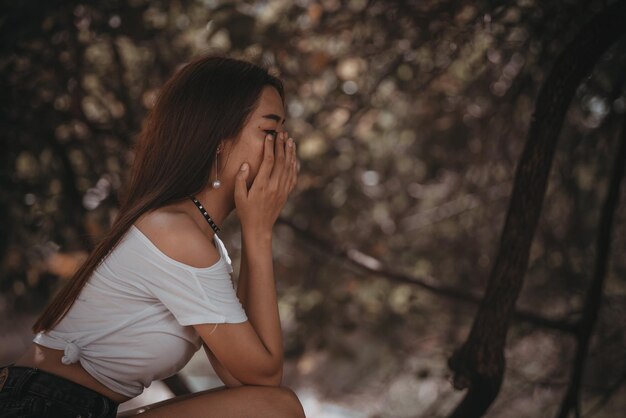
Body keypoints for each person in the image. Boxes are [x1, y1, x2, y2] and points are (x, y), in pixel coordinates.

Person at [0, 55, 305, 417]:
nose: (283, 147)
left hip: (73, 406)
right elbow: (265, 377)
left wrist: (258, 232)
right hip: (39, 407)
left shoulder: (200, 241)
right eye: (270, 132)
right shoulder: (173, 232)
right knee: (276, 408)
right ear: (219, 140)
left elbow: (244, 377)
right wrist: (259, 231)